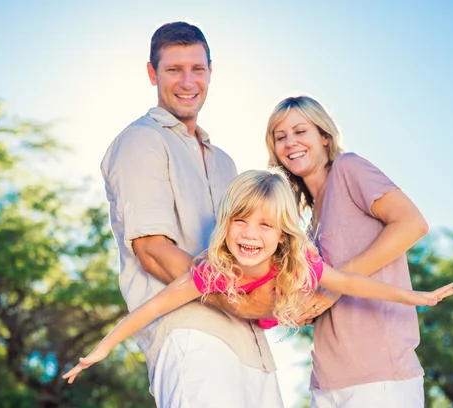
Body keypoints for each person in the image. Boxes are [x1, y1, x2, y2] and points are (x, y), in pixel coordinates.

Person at [63, 170, 453, 385]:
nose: (250, 234)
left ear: (282, 233)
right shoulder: (212, 272)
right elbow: (152, 308)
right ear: (226, 224)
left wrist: (415, 297)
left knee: (325, 294)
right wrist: (103, 348)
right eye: (240, 221)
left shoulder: (300, 261)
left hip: (288, 298)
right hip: (254, 307)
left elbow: (353, 284)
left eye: (266, 225)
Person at [98, 22, 280, 408]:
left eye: (197, 69)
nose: (187, 81)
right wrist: (243, 301)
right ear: (152, 73)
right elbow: (152, 250)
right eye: (173, 70)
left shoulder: (226, 163)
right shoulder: (141, 140)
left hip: (254, 351)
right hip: (190, 337)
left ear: (210, 72)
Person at [266, 96, 437, 407]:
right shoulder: (306, 223)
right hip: (326, 383)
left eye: (300, 131)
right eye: (280, 137)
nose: (290, 143)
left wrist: (334, 288)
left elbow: (412, 224)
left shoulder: (348, 168)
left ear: (325, 137)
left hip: (381, 378)